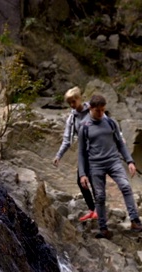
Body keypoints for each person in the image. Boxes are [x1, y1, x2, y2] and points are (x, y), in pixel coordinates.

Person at [77, 94, 142, 239]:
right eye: (98, 111)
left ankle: (135, 221)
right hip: (95, 165)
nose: (101, 114)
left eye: (103, 110)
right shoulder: (84, 126)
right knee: (100, 196)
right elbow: (81, 152)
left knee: (126, 186)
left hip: (114, 161)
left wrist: (130, 161)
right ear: (91, 108)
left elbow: (120, 143)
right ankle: (103, 229)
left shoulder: (111, 122)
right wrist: (83, 173)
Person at [53, 87, 97, 222]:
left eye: (74, 101)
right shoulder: (72, 119)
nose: (72, 105)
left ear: (79, 98)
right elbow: (67, 140)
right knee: (81, 181)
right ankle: (93, 209)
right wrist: (58, 155)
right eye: (69, 103)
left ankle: (98, 210)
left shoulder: (93, 110)